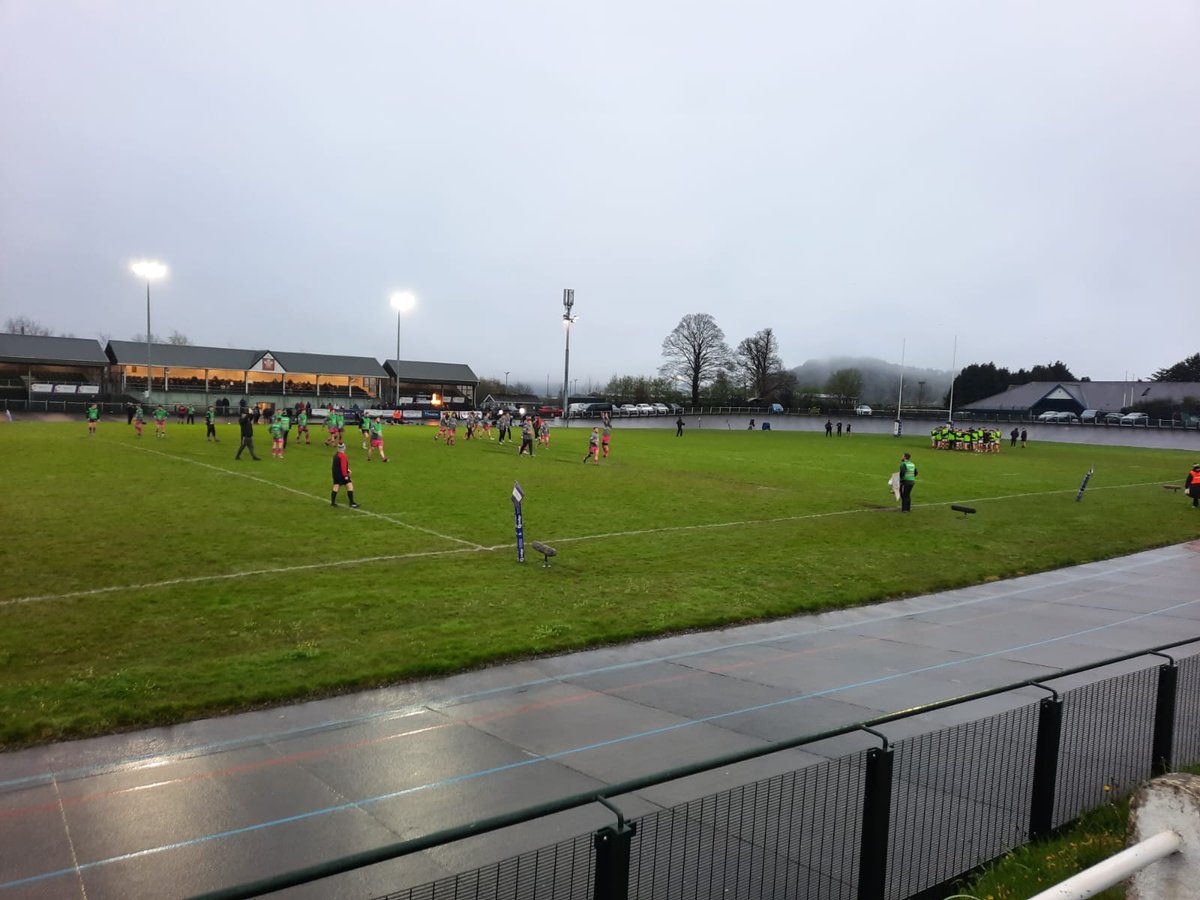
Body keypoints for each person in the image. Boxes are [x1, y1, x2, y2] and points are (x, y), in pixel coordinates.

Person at [330, 443, 359, 508]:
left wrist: (347, 469)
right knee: (350, 485)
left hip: (335, 474)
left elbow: (337, 466)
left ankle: (332, 503)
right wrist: (346, 476)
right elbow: (343, 467)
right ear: (344, 448)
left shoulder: (336, 455)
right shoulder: (343, 456)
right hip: (342, 475)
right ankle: (352, 503)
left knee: (336, 486)